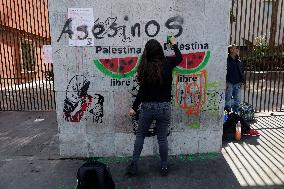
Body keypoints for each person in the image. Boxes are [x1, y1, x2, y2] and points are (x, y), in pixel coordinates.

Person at [126, 37, 183, 176]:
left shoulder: (145, 67)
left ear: (148, 52)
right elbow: (179, 58)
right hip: (164, 107)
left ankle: (134, 165)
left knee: (140, 136)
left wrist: (134, 107)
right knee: (162, 138)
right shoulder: (168, 63)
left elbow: (142, 91)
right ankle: (164, 166)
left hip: (147, 108)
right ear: (160, 51)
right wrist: (175, 45)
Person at [225, 44, 245, 113]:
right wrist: (225, 82)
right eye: (235, 48)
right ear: (231, 50)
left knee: (237, 100)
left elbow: (242, 71)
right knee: (227, 100)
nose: (237, 50)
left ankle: (236, 115)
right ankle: (227, 115)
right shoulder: (226, 60)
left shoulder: (238, 61)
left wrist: (243, 82)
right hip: (229, 82)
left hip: (237, 83)